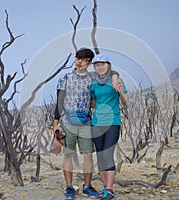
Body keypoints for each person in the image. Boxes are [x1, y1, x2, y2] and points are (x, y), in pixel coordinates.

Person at [53, 48, 119, 199]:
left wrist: (115, 77)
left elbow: (109, 73)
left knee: (88, 155)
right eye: (77, 58)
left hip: (86, 123)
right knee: (68, 155)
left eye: (82, 59)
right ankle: (69, 187)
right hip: (67, 122)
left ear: (89, 62)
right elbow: (59, 102)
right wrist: (55, 124)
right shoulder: (65, 78)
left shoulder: (93, 78)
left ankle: (87, 187)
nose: (78, 61)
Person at [90, 54, 127, 200]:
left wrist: (120, 91)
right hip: (96, 123)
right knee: (100, 156)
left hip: (113, 122)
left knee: (107, 155)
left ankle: (110, 189)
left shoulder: (117, 80)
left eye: (103, 64)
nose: (100, 67)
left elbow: (125, 102)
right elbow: (93, 103)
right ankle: (105, 188)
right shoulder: (93, 83)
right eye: (97, 65)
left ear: (108, 65)